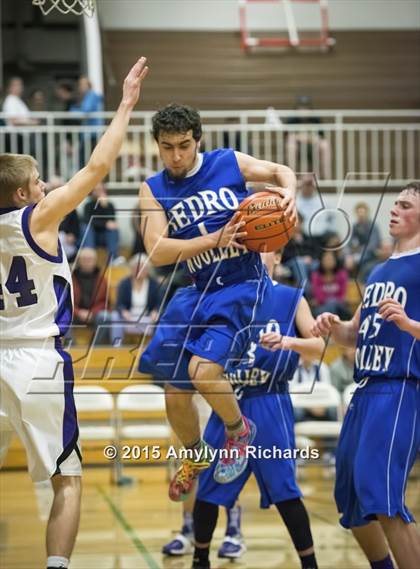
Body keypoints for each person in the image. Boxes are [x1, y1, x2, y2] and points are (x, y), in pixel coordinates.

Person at [0, 57, 149, 569]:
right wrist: (126, 103)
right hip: (38, 360)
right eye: (38, 182)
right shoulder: (35, 219)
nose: (44, 187)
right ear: (21, 195)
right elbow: (97, 169)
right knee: (69, 478)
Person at [138, 103, 297, 502]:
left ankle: (237, 431)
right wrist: (212, 240)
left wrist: (289, 194)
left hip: (243, 286)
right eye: (167, 146)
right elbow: (156, 250)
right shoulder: (153, 188)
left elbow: (280, 171)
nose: (176, 155)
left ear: (198, 140)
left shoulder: (227, 162)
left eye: (184, 145)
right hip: (199, 289)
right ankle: (195, 456)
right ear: (157, 145)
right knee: (175, 393)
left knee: (203, 372)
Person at [311, 181, 420, 569]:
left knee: (383, 497)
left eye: (405, 205)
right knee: (351, 499)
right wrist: (333, 325)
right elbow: (353, 333)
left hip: (400, 390)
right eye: (395, 203)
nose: (394, 209)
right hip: (365, 391)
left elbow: (409, 326)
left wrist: (409, 324)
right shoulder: (376, 272)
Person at [191, 250, 323, 569]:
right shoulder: (222, 296)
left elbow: (320, 347)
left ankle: (310, 564)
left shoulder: (291, 298)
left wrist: (289, 343)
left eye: (263, 250)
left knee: (285, 490)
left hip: (269, 400)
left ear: (277, 256)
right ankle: (200, 559)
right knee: (207, 488)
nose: (255, 256)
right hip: (229, 402)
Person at [110, 253, 162, 345]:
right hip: (129, 317)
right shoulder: (124, 283)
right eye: (137, 267)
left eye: (143, 267)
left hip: (148, 317)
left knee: (161, 318)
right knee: (115, 316)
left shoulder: (154, 284)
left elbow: (159, 303)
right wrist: (123, 311)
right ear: (132, 268)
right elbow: (119, 304)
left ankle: (155, 348)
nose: (140, 270)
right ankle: (116, 346)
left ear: (148, 270)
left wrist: (156, 311)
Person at [71, 248, 111, 345]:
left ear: (95, 261)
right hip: (75, 314)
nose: (87, 262)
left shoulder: (102, 280)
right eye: (84, 259)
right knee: (61, 315)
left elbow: (105, 302)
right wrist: (78, 312)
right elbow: (66, 301)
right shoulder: (70, 278)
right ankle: (72, 347)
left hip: (94, 314)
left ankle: (95, 348)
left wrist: (91, 312)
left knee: (105, 316)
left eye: (90, 259)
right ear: (79, 261)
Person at [83, 182, 123, 263]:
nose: (98, 192)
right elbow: (88, 220)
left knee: (113, 229)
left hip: (105, 236)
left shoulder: (109, 205)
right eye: (96, 190)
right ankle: (89, 256)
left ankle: (113, 258)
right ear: (92, 191)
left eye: (100, 190)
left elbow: (112, 221)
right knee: (86, 227)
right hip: (92, 236)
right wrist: (105, 224)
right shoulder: (88, 205)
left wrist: (105, 207)